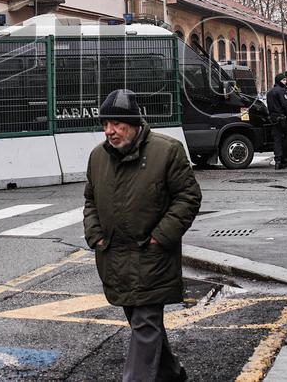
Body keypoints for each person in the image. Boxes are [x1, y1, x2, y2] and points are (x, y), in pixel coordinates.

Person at [84, 89, 201, 382]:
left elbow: (188, 197)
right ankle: (171, 373)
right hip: (114, 256)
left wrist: (161, 237)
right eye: (105, 124)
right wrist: (95, 234)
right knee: (142, 323)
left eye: (117, 124)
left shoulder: (167, 150)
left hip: (152, 256)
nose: (109, 131)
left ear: (135, 123)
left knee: (145, 322)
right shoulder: (98, 156)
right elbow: (90, 200)